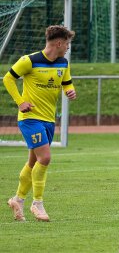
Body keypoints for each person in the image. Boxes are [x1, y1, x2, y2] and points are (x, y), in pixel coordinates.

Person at [3, 25, 76, 221]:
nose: (68, 47)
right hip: (30, 119)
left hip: (49, 120)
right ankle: (38, 204)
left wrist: (70, 91)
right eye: (67, 44)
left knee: (33, 161)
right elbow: (8, 79)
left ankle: (17, 199)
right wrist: (20, 102)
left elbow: (66, 83)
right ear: (59, 43)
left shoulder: (63, 63)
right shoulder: (29, 61)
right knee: (45, 158)